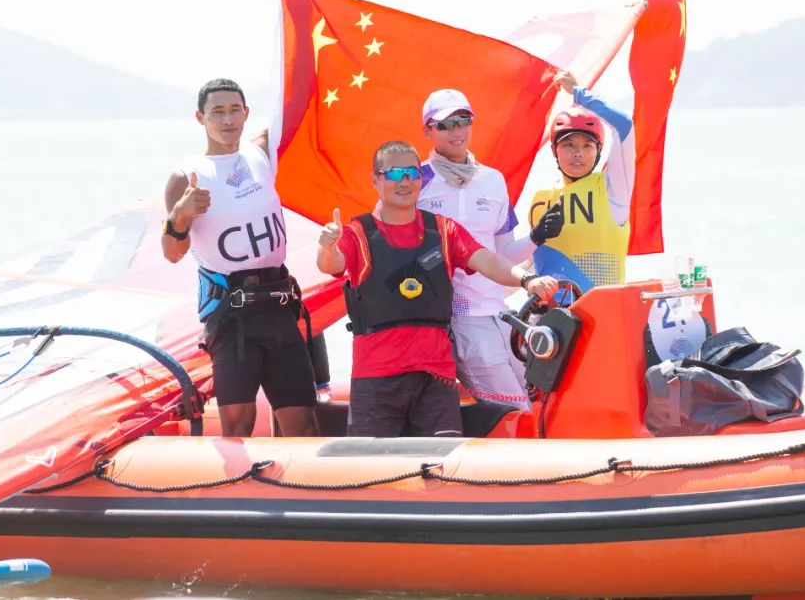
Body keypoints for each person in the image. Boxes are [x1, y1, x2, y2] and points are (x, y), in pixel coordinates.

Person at [316, 140, 558, 438]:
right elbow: (330, 264)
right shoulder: (357, 233)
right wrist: (327, 246)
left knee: (442, 462)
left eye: (413, 173)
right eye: (394, 174)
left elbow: (488, 260)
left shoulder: (444, 230)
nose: (405, 182)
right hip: (376, 380)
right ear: (376, 180)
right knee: (372, 463)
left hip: (436, 381)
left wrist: (526, 279)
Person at [161, 78, 318, 438]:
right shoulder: (186, 175)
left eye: (235, 110)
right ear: (200, 117)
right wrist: (181, 215)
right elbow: (172, 253)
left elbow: (296, 104)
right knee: (238, 425)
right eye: (217, 112)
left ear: (246, 113)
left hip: (279, 307)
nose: (228, 119)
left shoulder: (260, 152)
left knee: (304, 426)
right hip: (232, 317)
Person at [417, 88, 564, 411]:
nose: (457, 130)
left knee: (540, 403)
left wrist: (537, 237)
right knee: (516, 412)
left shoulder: (493, 180)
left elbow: (504, 253)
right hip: (459, 320)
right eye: (446, 124)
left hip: (501, 314)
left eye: (463, 120)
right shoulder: (414, 181)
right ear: (428, 131)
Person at [529, 71, 635, 293]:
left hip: (602, 311)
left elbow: (623, 125)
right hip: (551, 314)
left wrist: (579, 93)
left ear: (598, 151)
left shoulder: (613, 191)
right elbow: (528, 262)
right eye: (569, 145)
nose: (578, 153)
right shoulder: (541, 198)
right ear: (554, 150)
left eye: (587, 146)